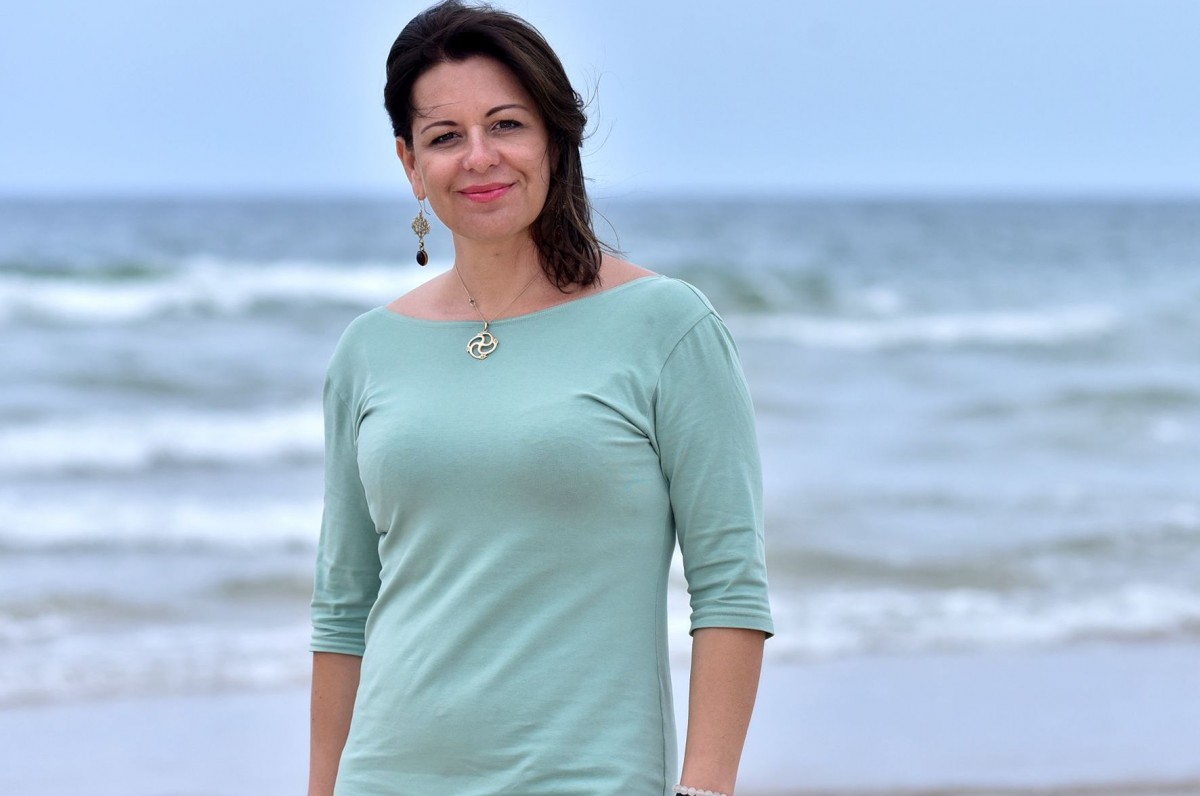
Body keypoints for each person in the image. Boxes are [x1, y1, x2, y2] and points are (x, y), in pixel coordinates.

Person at [308, 2, 773, 794]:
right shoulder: (368, 351)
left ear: (555, 138)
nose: (479, 157)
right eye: (444, 137)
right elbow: (343, 607)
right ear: (410, 164)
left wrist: (704, 789)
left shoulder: (668, 326)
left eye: (506, 125)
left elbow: (729, 587)